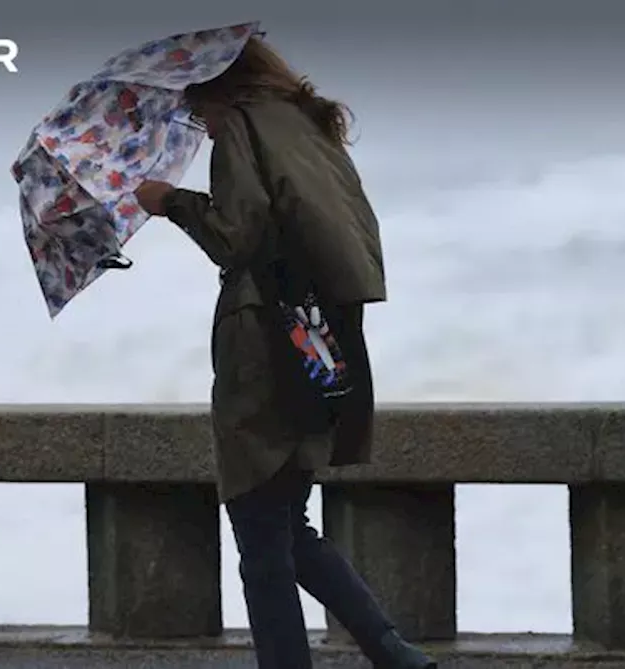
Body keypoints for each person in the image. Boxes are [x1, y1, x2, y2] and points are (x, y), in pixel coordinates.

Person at [133, 35, 437, 669]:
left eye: (199, 108)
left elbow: (236, 236)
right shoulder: (308, 125)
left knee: (260, 533)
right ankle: (392, 650)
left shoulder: (244, 125)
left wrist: (171, 203)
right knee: (286, 525)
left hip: (265, 345)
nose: (203, 125)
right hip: (320, 337)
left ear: (221, 88)